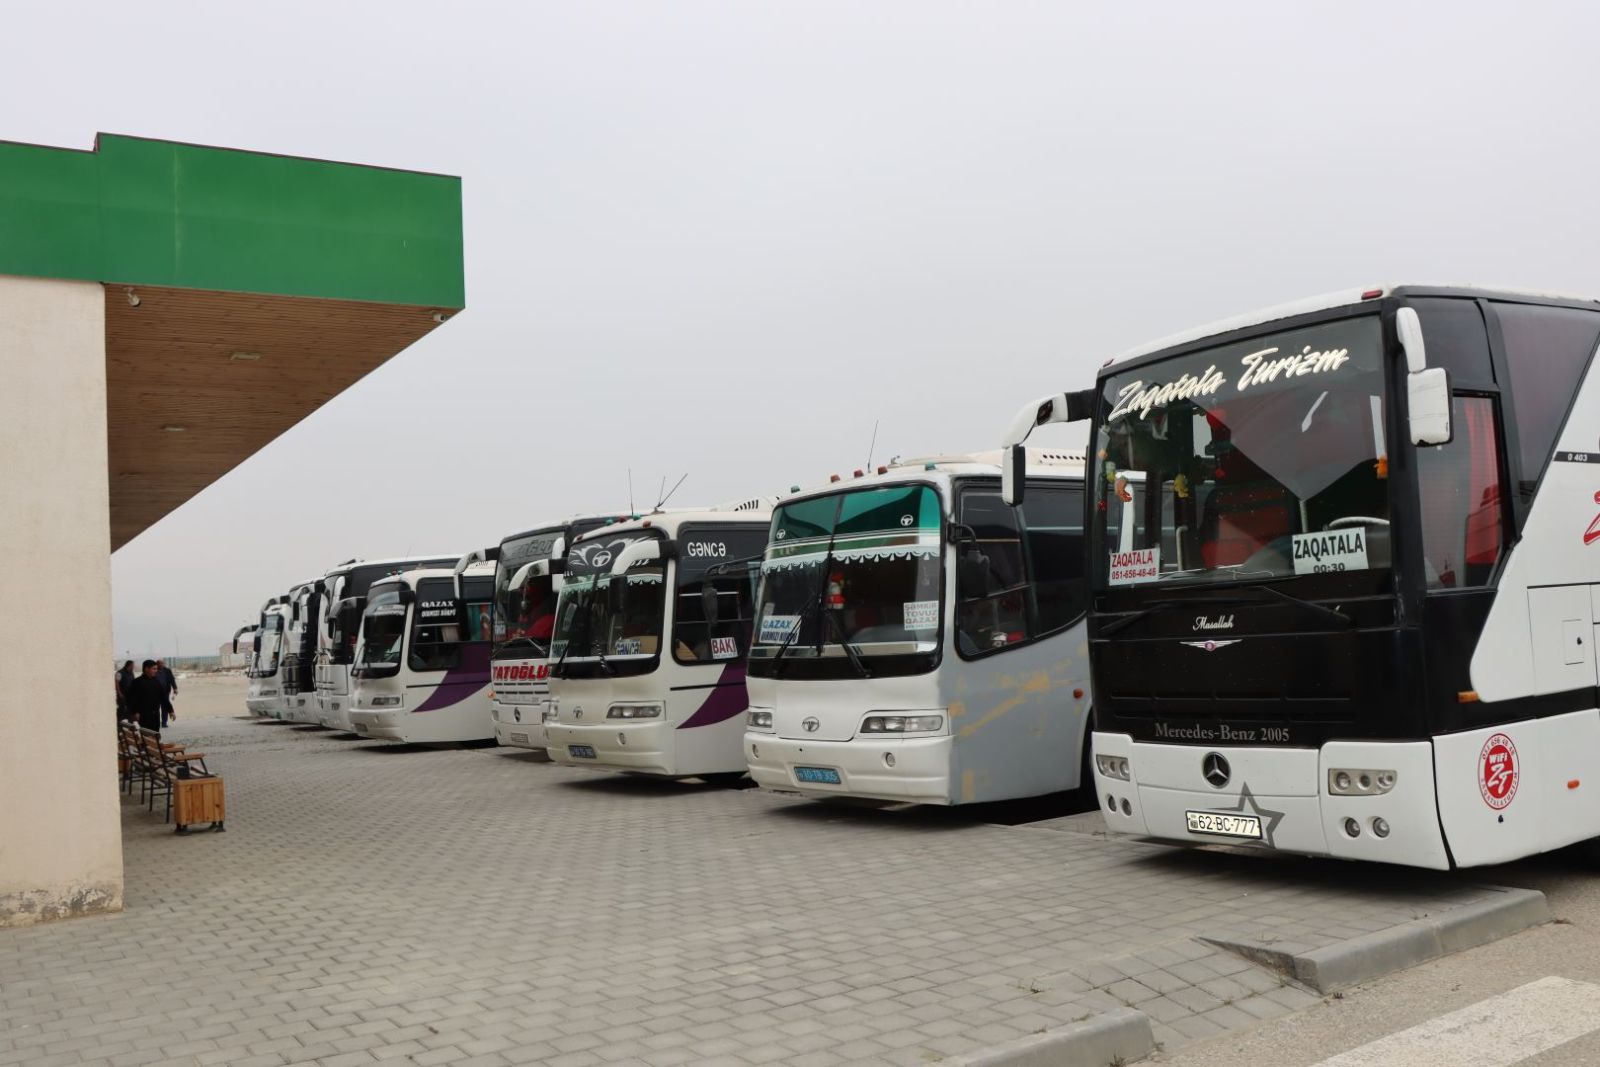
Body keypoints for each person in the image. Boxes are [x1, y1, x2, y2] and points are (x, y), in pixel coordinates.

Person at [125, 660, 166, 734]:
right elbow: (131, 699)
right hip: (143, 715)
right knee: (146, 735)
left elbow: (163, 697)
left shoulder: (156, 681)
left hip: (155, 715)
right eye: (154, 669)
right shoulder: (137, 682)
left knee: (155, 734)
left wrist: (170, 710)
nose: (156, 671)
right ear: (146, 669)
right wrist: (135, 712)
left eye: (156, 669)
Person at [155, 659, 179, 727]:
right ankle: (156, 722)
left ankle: (164, 723)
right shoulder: (154, 670)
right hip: (155, 693)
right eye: (160, 663)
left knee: (165, 707)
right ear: (157, 664)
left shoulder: (167, 670)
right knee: (156, 708)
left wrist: (175, 688)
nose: (161, 665)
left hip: (165, 691)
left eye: (162, 663)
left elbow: (172, 679)